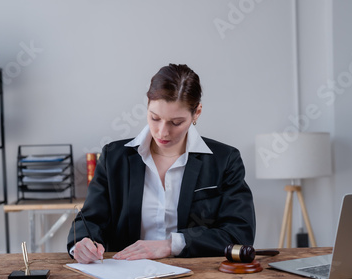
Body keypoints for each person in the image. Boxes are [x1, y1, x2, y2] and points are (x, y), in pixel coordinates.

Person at [67, 64, 256, 264]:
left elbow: (239, 234)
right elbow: (90, 221)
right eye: (155, 118)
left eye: (176, 122)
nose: (163, 132)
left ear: (197, 112)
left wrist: (169, 245)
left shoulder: (224, 159)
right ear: (147, 105)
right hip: (125, 277)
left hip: (198, 277)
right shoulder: (114, 157)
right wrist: (83, 244)